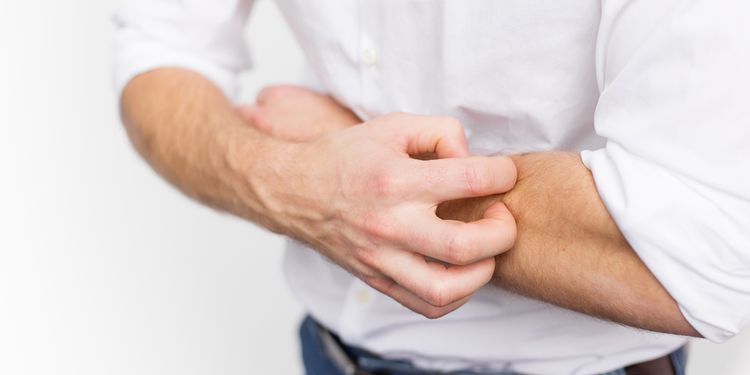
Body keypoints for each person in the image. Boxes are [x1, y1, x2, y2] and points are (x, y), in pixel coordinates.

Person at [114, 1, 750, 374]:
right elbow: (163, 48)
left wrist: (348, 177)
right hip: (326, 351)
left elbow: (708, 248)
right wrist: (293, 178)